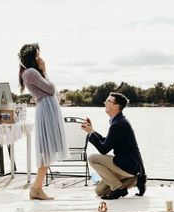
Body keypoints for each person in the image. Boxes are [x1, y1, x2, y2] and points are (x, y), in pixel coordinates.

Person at [18, 43, 70, 200]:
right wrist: (45, 70)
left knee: (47, 150)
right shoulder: (31, 72)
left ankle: (37, 188)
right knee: (46, 150)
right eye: (37, 54)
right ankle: (36, 189)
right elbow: (51, 89)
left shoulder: (31, 72)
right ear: (32, 57)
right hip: (46, 109)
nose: (40, 58)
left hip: (48, 108)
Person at [81, 92, 147, 200]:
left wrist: (91, 133)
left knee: (92, 158)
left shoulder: (118, 124)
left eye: (108, 101)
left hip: (128, 166)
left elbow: (103, 149)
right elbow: (106, 142)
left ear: (116, 107)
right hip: (130, 168)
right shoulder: (118, 121)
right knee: (100, 191)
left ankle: (118, 187)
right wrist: (91, 131)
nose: (105, 102)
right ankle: (133, 180)